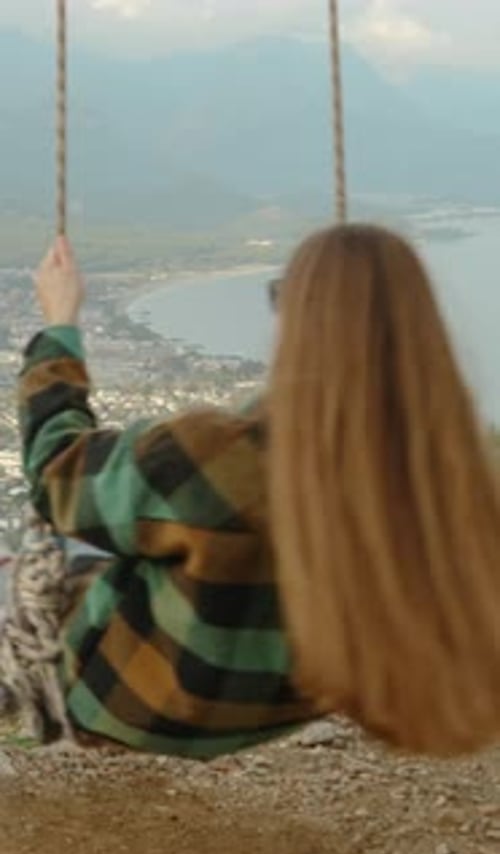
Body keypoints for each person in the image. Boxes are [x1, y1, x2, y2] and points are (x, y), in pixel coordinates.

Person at [9, 225, 500, 759]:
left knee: (49, 560)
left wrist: (60, 325)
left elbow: (55, 473)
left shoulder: (216, 455)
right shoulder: (460, 470)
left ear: (298, 319)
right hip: (286, 704)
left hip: (134, 705)